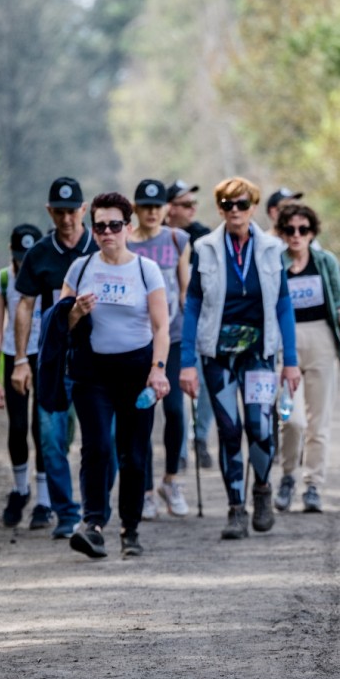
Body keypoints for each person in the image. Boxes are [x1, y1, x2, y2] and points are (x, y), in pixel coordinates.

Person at [180, 177, 301, 538]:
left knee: (260, 427)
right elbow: (192, 305)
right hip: (217, 354)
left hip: (259, 354)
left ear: (253, 208)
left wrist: (290, 360)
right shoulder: (204, 247)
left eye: (242, 204)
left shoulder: (271, 249)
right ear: (220, 209)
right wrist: (187, 363)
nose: (235, 211)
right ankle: (235, 508)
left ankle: (261, 490)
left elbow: (283, 305)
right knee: (229, 430)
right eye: (228, 205)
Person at [60, 192, 171, 559]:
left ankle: (130, 529)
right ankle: (92, 525)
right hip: (92, 373)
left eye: (114, 225)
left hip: (137, 372)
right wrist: (76, 311)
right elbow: (61, 324)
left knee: (133, 455)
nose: (107, 232)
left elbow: (161, 327)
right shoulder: (80, 269)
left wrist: (158, 370)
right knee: (97, 448)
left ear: (128, 227)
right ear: (92, 230)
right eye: (100, 227)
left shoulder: (146, 270)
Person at [10, 176, 103, 541]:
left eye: (72, 211)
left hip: (97, 359)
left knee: (102, 440)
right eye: (59, 212)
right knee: (50, 438)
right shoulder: (39, 255)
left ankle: (97, 512)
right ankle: (65, 512)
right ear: (49, 212)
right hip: (54, 359)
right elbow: (24, 306)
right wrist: (20, 360)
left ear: (84, 210)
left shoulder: (99, 246)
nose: (66, 219)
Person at [272, 200, 340, 514]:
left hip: (321, 337)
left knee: (318, 422)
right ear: (282, 233)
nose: (296, 235)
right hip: (286, 342)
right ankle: (288, 476)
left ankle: (313, 485)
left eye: (303, 229)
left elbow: (338, 299)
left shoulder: (325, 261)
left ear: (311, 232)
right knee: (292, 420)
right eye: (290, 229)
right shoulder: (275, 263)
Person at [128, 178, 193, 519]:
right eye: (145, 207)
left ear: (166, 208)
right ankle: (146, 490)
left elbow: (185, 292)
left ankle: (171, 479)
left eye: (157, 206)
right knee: (142, 413)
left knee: (175, 411)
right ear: (135, 209)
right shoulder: (126, 241)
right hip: (138, 339)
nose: (152, 212)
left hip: (175, 337)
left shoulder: (178, 240)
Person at [0, 223, 51, 530]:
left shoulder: (50, 275)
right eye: (19, 257)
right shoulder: (2, 281)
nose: (23, 264)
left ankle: (45, 501)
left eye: (29, 258)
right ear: (11, 253)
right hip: (15, 355)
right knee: (18, 426)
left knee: (42, 428)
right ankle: (21, 489)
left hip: (44, 354)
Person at [166, 178, 214, 463]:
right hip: (169, 325)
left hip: (202, 321)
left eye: (193, 203)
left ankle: (201, 437)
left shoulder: (203, 237)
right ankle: (180, 449)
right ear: (169, 208)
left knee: (205, 383)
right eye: (185, 204)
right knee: (176, 390)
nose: (192, 209)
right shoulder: (158, 238)